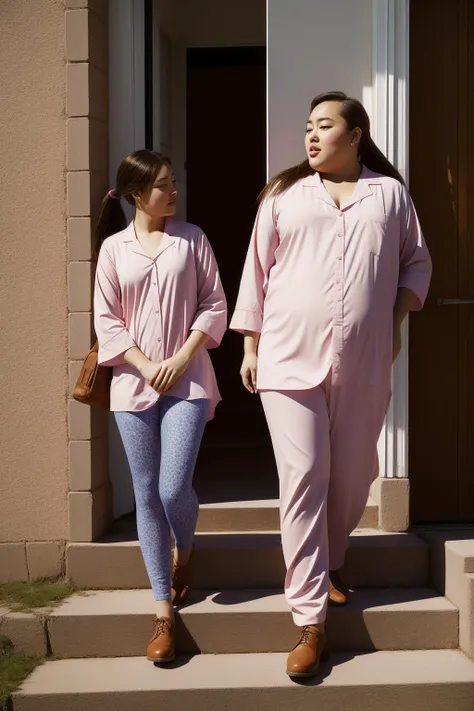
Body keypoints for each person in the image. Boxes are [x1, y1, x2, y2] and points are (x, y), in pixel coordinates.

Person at [230, 91, 432, 678]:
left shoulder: (389, 196)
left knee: (353, 475)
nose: (311, 137)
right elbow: (255, 269)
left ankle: (329, 559)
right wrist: (249, 344)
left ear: (357, 134)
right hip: (287, 360)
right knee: (303, 479)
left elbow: (416, 263)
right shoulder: (283, 195)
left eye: (324, 126)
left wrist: (393, 319)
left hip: (364, 360)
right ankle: (310, 621)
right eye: (308, 127)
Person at [93, 149, 227, 663]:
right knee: (146, 494)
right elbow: (106, 319)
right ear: (136, 194)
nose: (173, 192)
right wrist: (145, 364)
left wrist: (182, 355)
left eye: (174, 183)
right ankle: (163, 611)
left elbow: (214, 302)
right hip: (132, 387)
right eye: (164, 185)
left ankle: (185, 554)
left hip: (188, 380)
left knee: (173, 487)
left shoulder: (192, 240)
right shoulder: (112, 250)